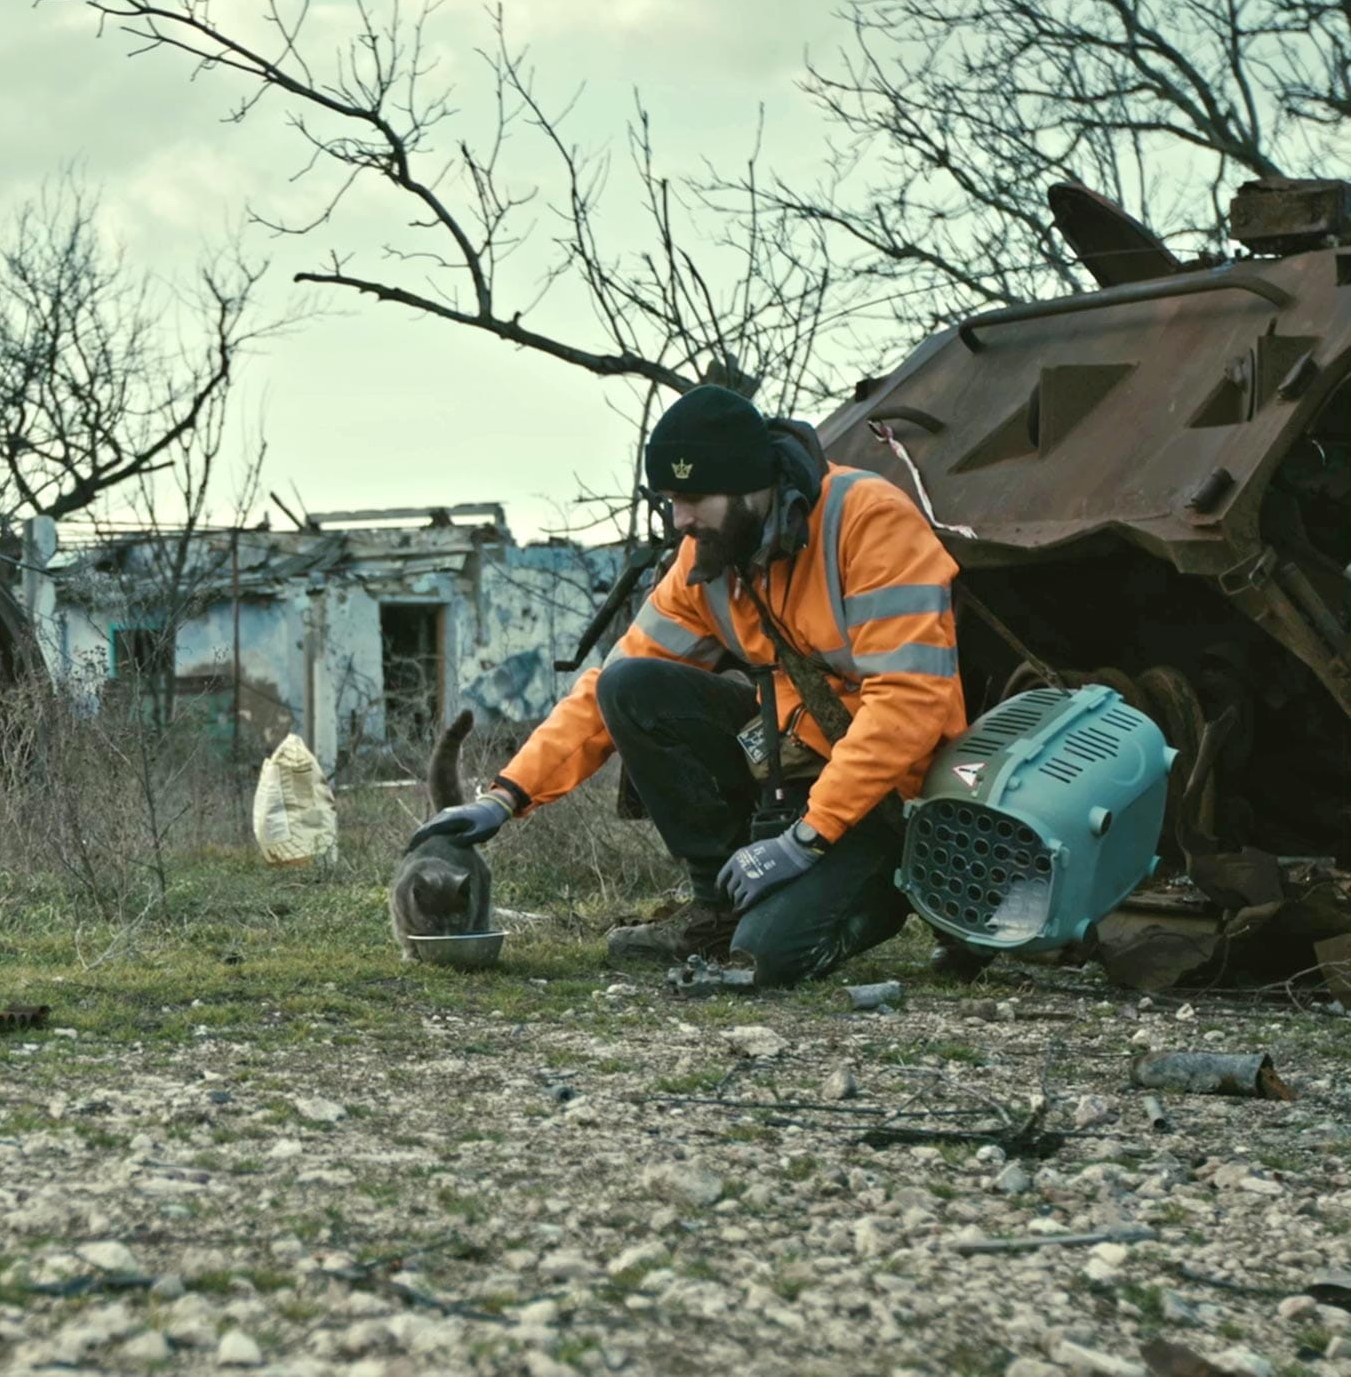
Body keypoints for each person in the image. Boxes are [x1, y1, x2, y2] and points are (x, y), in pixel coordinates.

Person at [409, 384, 972, 985]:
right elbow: (608, 687)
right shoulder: (708, 556)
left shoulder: (870, 521)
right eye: (670, 500)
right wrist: (507, 797)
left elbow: (910, 702)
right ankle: (716, 905)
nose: (680, 520)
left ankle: (913, 891)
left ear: (751, 484)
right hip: (793, 767)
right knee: (630, 686)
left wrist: (808, 838)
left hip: (892, 797)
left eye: (694, 498)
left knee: (766, 958)